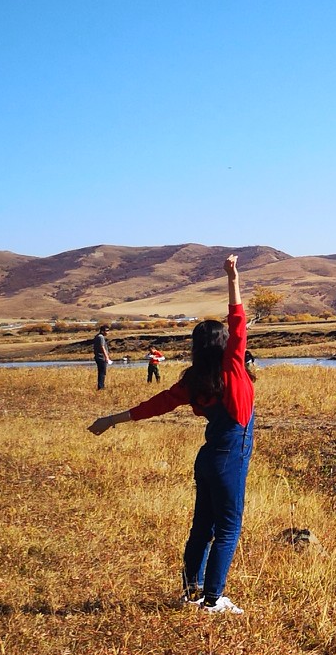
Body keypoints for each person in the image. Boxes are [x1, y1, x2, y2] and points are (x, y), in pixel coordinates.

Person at [89, 256, 256, 614]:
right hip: (229, 459)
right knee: (228, 528)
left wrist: (111, 419)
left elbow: (155, 405)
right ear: (226, 347)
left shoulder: (192, 381)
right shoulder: (233, 372)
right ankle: (213, 599)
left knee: (202, 529)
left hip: (208, 459)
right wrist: (233, 277)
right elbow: (238, 320)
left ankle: (191, 590)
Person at [92, 325, 111, 390]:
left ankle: (101, 386)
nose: (108, 332)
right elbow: (102, 347)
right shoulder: (101, 337)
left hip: (98, 357)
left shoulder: (97, 336)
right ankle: (101, 387)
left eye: (108, 330)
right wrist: (107, 357)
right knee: (102, 373)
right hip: (101, 357)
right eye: (107, 331)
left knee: (101, 372)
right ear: (102, 331)